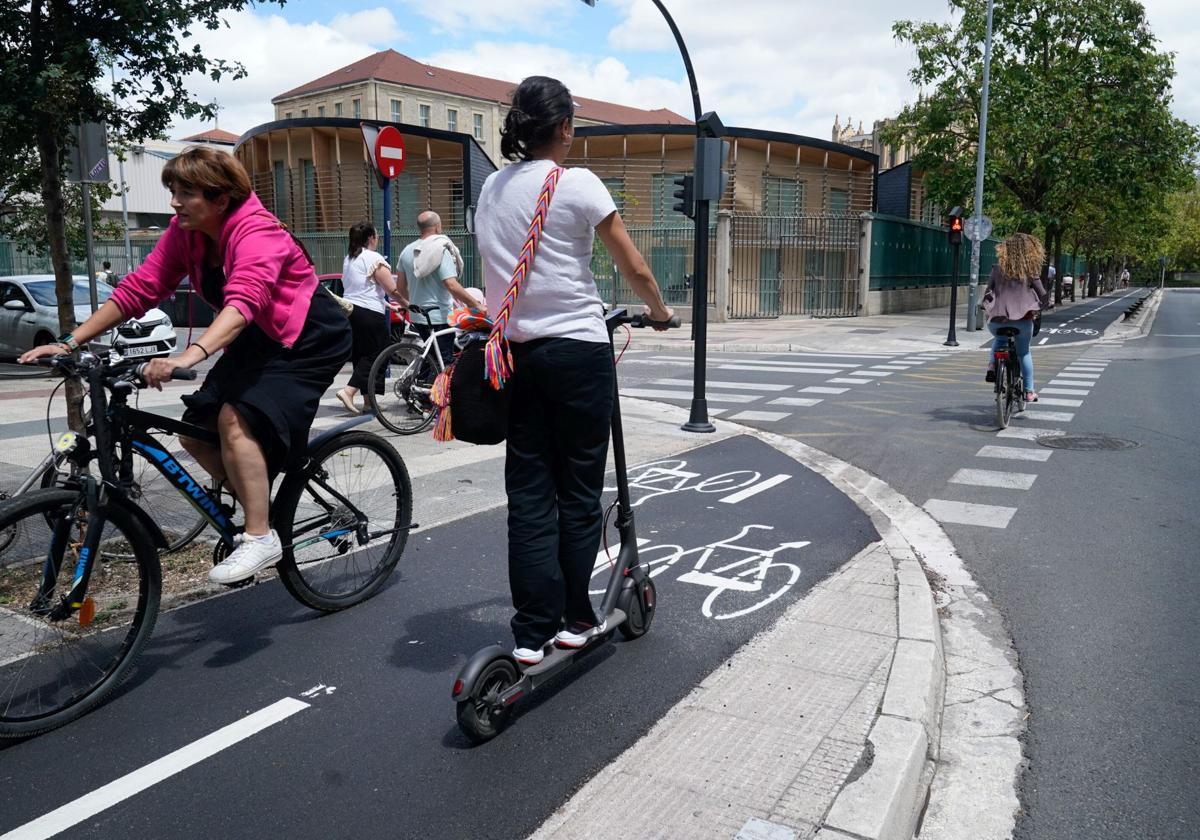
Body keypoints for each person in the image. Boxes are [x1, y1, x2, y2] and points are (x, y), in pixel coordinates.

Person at [21, 146, 352, 585]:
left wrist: (188, 356)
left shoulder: (258, 232)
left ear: (221, 199)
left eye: (186, 192)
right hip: (256, 336)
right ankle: (264, 505)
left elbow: (244, 302)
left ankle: (259, 535)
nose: (174, 202)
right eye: (172, 191)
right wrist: (70, 342)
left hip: (306, 338)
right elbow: (140, 288)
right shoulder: (186, 232)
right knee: (195, 429)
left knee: (235, 419)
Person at [475, 75, 673, 666]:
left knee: (530, 493)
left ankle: (532, 631)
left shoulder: (490, 187)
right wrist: (660, 312)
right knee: (580, 491)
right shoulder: (578, 182)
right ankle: (578, 618)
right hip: (577, 354)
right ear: (563, 127)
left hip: (516, 354)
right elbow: (632, 263)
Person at [335, 221, 407, 414]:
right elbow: (391, 288)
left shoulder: (349, 259)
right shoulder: (373, 258)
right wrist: (407, 304)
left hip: (352, 312)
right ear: (370, 238)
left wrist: (387, 304)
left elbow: (360, 289)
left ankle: (368, 401)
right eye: (376, 236)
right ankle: (349, 391)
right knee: (378, 354)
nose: (378, 239)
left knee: (361, 355)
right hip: (370, 314)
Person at [395, 211, 479, 375]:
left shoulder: (407, 251)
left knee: (430, 358)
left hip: (417, 315)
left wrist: (412, 301)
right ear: (437, 226)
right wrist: (476, 305)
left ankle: (420, 392)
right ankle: (436, 397)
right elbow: (451, 284)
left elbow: (400, 287)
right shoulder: (440, 249)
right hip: (439, 315)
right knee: (444, 362)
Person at [982, 233, 1051, 403]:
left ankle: (992, 366)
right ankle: (1028, 391)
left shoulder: (996, 269)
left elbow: (988, 292)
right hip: (1023, 320)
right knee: (1024, 352)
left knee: (999, 339)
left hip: (998, 319)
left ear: (1004, 251)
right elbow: (1042, 294)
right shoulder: (1029, 272)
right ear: (1029, 252)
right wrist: (1044, 304)